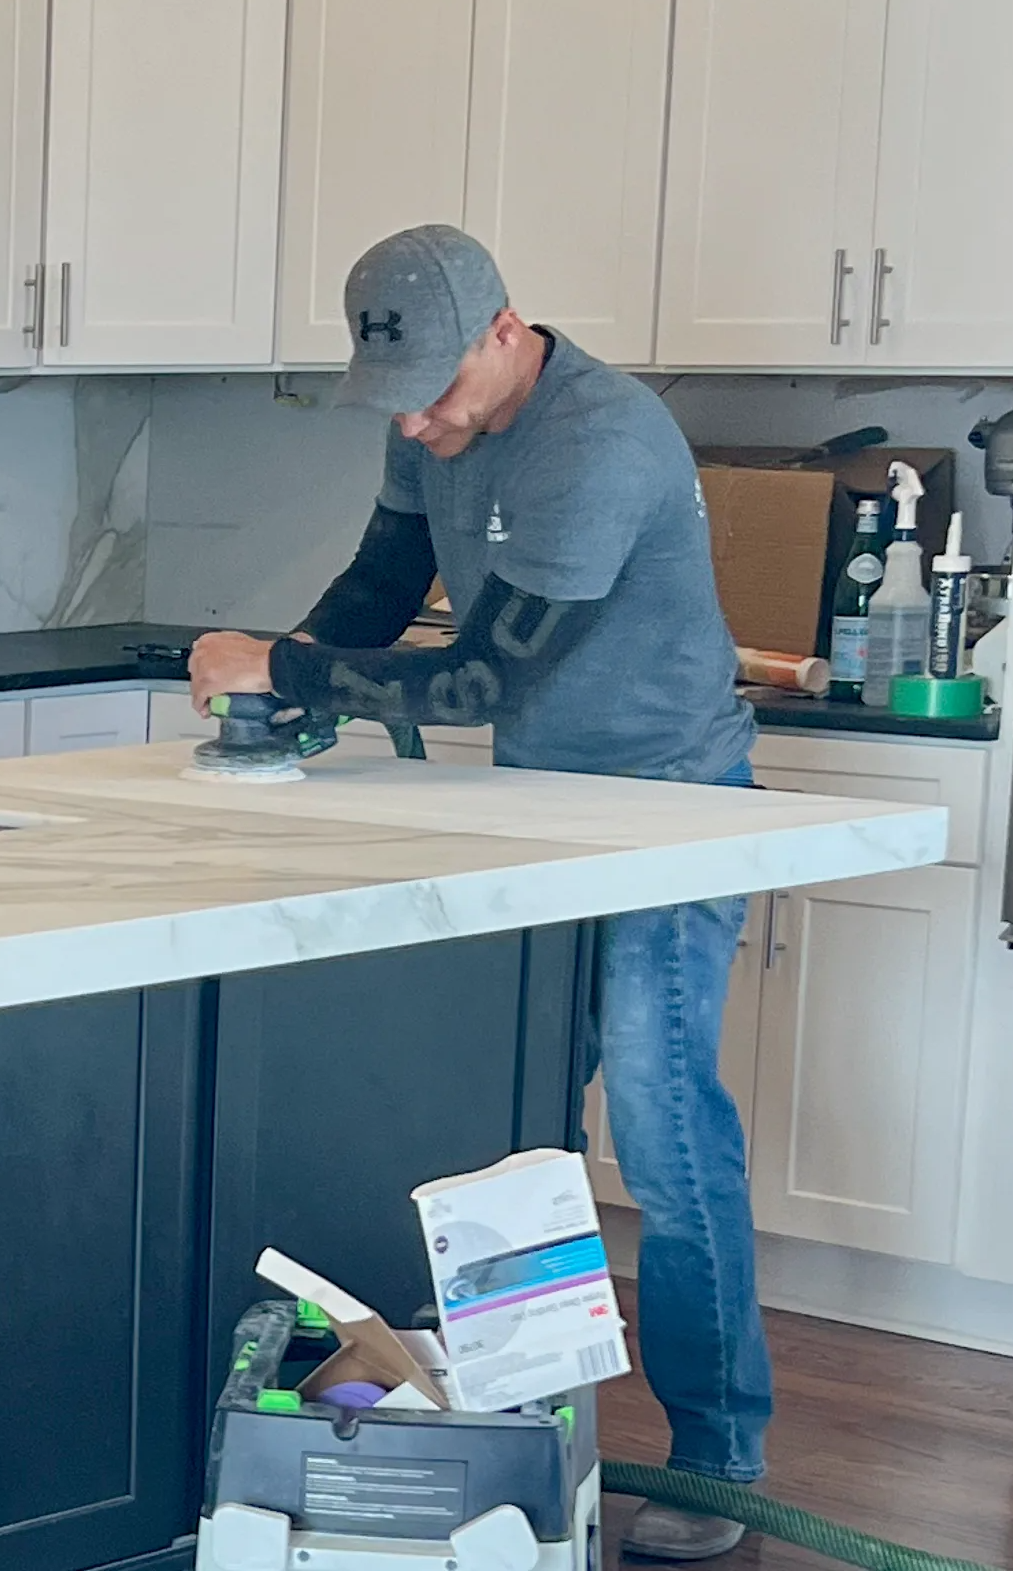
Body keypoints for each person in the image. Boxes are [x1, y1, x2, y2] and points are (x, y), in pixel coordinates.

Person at [189, 224, 769, 1563]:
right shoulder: (428, 414)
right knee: (510, 1138)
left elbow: (482, 681)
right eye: (400, 398)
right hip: (533, 812)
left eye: (443, 388)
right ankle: (514, 1426)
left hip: (668, 809)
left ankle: (721, 1454)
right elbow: (385, 590)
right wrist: (285, 679)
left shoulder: (599, 440)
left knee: (667, 1129)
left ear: (507, 332)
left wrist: (282, 669)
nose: (422, 420)